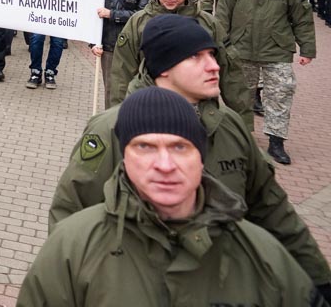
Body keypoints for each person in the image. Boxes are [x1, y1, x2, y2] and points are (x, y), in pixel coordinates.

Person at [50, 14, 331, 292]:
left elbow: (272, 210)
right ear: (164, 68)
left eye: (212, 54)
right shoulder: (113, 128)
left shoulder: (229, 125)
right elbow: (70, 212)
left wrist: (319, 279)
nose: (214, 66)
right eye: (197, 57)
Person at [21, 87, 322, 306]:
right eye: (145, 147)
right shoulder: (71, 248)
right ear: (123, 158)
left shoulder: (263, 256)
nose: (165, 165)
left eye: (180, 147)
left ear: (201, 158)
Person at [109, 0, 254, 127]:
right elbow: (122, 73)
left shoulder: (208, 24)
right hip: (150, 108)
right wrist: (119, 116)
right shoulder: (138, 23)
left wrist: (243, 124)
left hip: (198, 113)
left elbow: (231, 73)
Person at [215, 0, 316, 165]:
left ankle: (276, 142)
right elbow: (221, 17)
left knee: (279, 96)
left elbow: (303, 21)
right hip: (241, 50)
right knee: (240, 97)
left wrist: (307, 49)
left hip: (276, 52)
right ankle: (240, 139)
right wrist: (222, 44)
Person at [92, 0, 151, 106]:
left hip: (134, 49)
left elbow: (141, 15)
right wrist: (93, 43)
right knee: (111, 90)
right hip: (109, 48)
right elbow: (93, 17)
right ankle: (111, 123)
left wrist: (112, 14)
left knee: (134, 88)